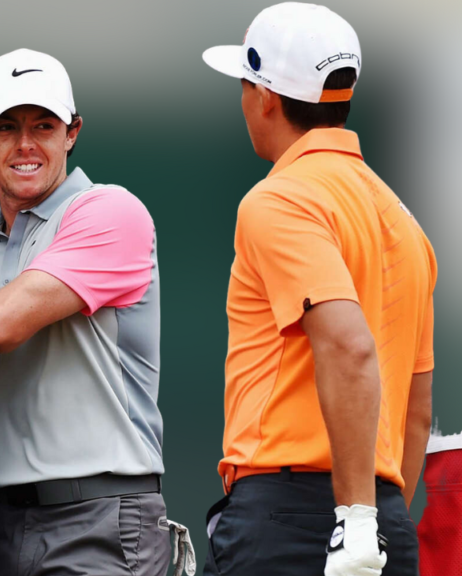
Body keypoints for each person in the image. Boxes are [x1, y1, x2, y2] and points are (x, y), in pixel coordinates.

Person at [0, 48, 193, 576]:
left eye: (44, 126)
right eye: (7, 127)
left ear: (72, 132)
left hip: (102, 519)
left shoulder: (111, 210)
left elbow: (1, 325)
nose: (26, 145)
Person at [201, 4, 436, 576]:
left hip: (296, 523)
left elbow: (350, 347)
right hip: (382, 522)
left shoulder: (279, 199)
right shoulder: (405, 222)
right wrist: (374, 526)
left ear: (266, 98)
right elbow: (415, 415)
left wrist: (352, 522)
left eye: (244, 85)